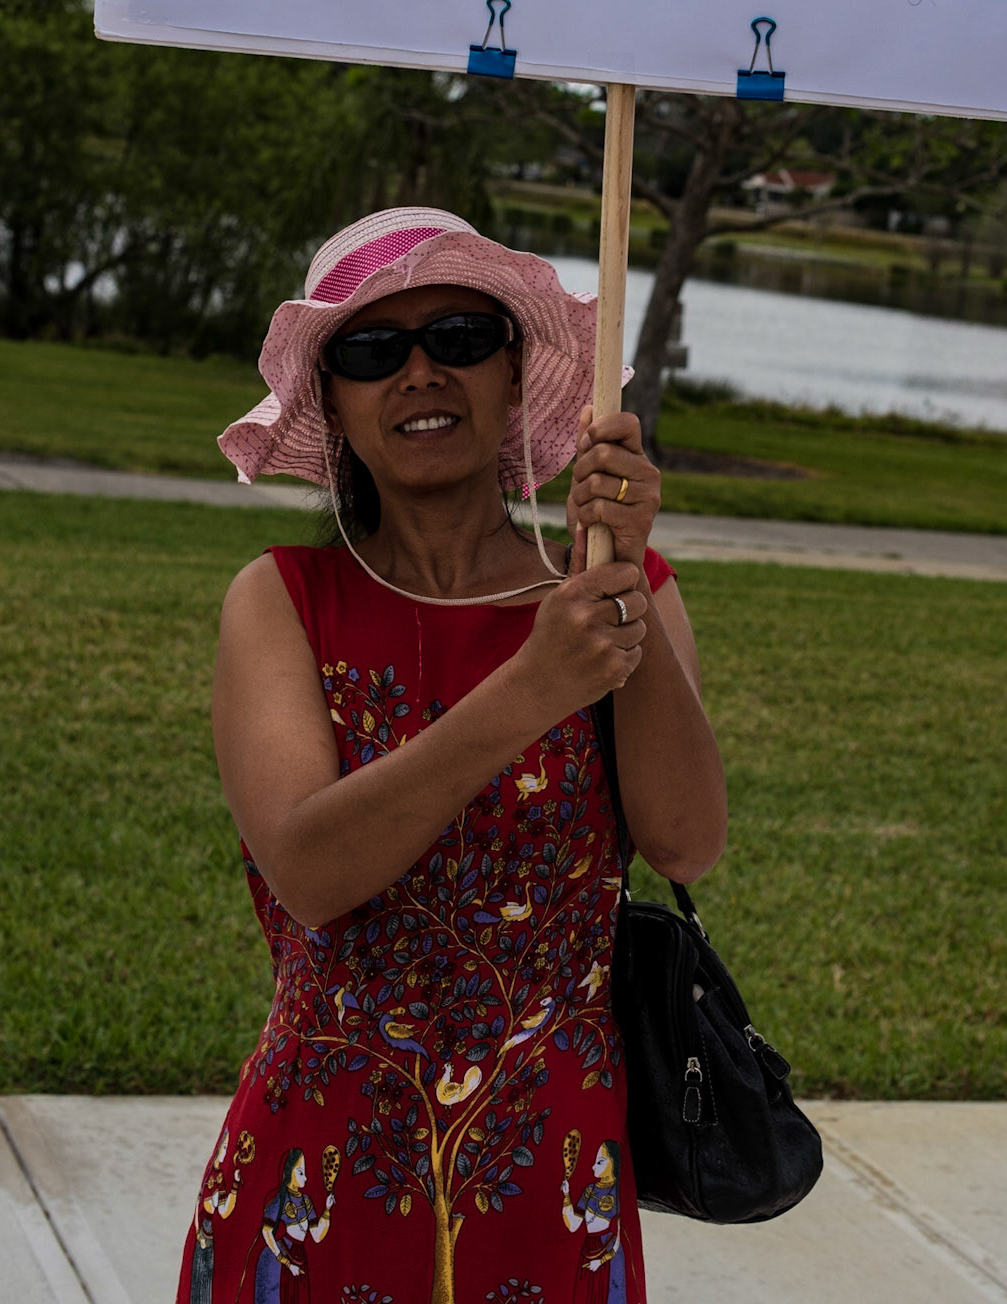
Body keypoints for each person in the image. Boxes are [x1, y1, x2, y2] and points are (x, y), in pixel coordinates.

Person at [176, 207, 727, 1304]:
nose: (421, 372)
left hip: (550, 1170)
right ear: (329, 398)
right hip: (321, 1173)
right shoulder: (284, 599)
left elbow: (686, 838)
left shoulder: (613, 595)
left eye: (461, 337)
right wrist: (533, 685)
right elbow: (311, 868)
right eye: (373, 350)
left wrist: (623, 570)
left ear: (515, 372)